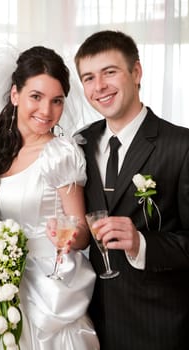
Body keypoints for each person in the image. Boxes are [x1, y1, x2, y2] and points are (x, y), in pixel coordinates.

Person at [0, 45, 100, 349]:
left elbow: (84, 234)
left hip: (47, 287)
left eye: (56, 101)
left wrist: (69, 236)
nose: (46, 111)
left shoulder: (61, 154)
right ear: (15, 95)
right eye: (36, 96)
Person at [74, 30, 189, 350]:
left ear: (136, 72)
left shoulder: (181, 146)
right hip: (92, 324)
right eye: (88, 78)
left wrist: (142, 243)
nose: (99, 87)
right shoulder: (78, 146)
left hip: (160, 328)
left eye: (109, 72)